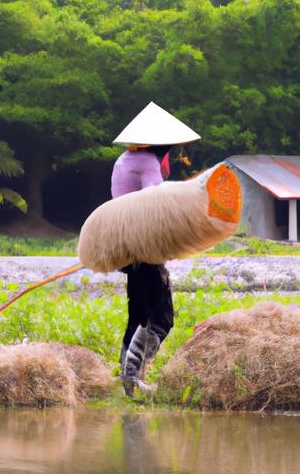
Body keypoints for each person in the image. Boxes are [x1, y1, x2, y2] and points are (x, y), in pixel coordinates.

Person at [110, 102, 200, 396]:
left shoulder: (123, 160)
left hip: (128, 247)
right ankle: (135, 378)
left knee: (138, 313)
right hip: (146, 249)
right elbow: (155, 202)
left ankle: (127, 377)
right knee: (162, 317)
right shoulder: (147, 162)